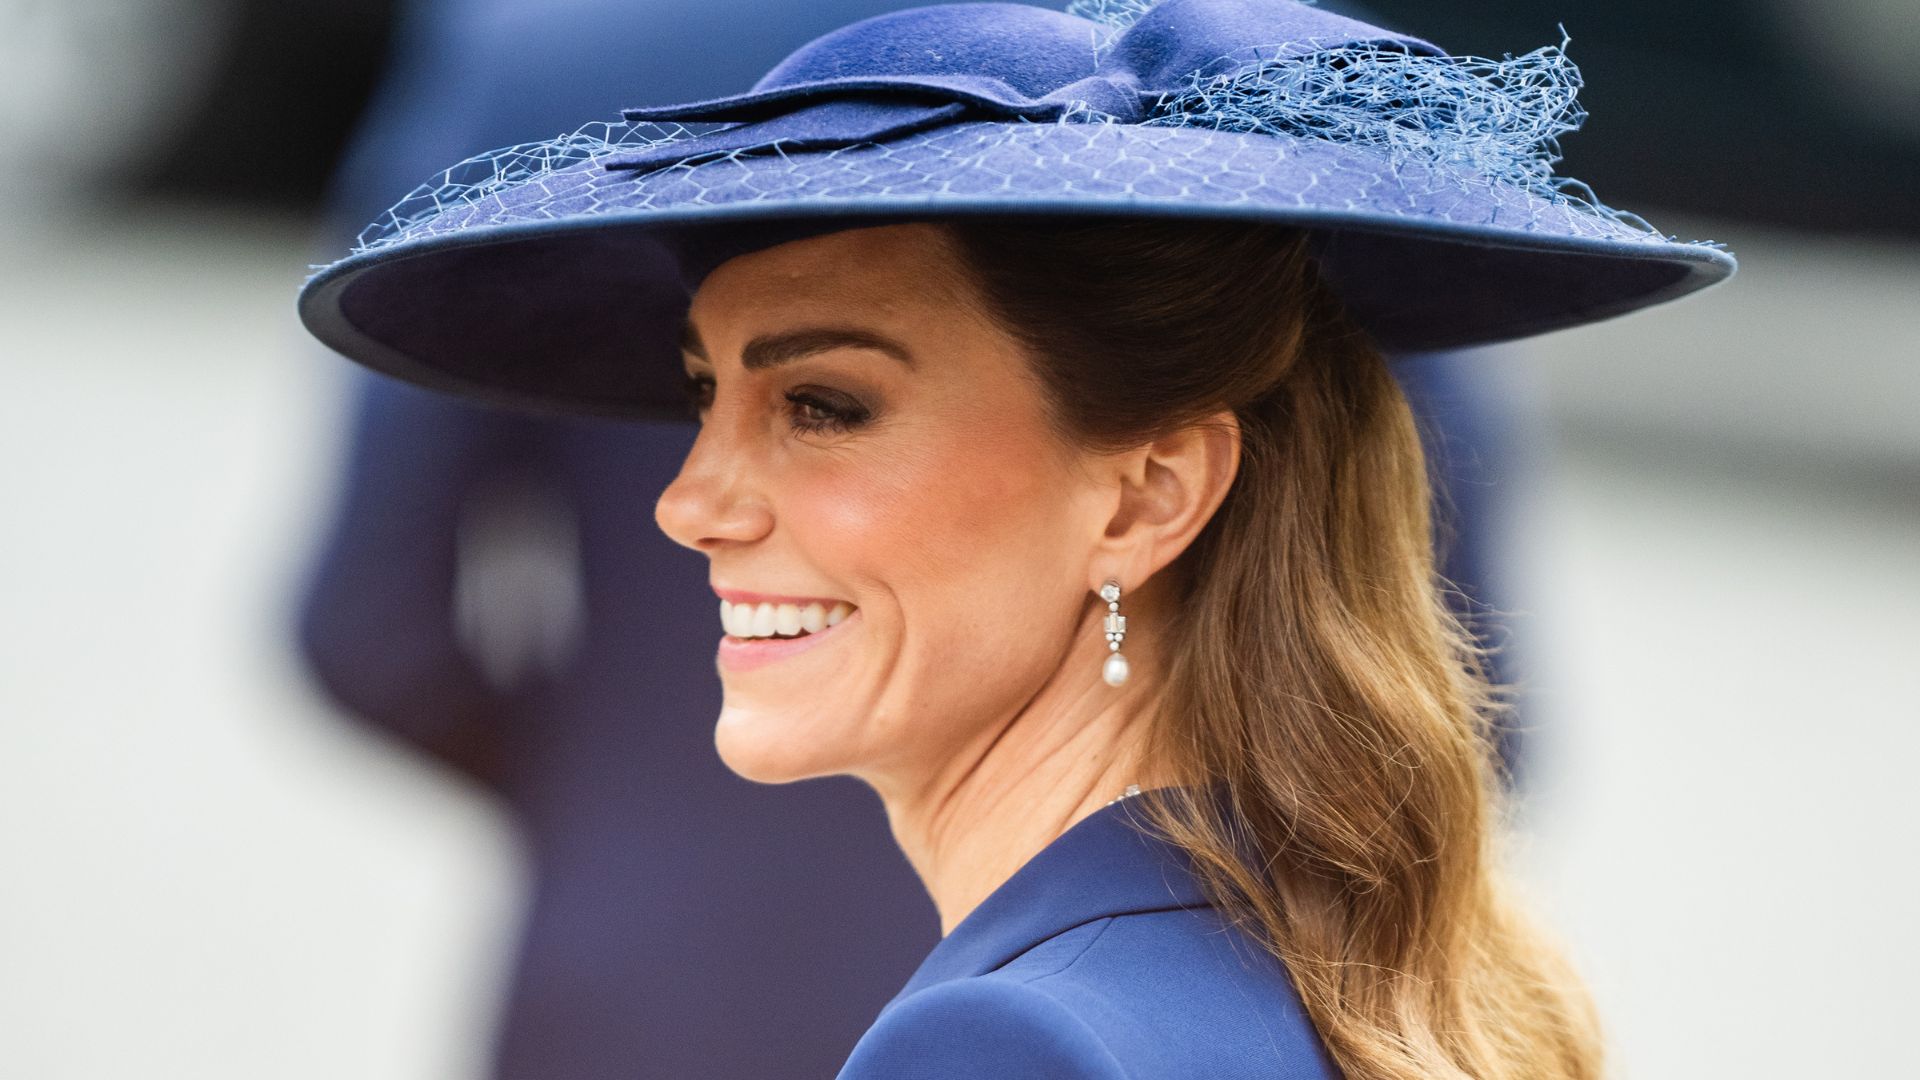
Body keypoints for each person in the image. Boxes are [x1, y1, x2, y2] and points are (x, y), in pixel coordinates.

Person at [296, 1, 1735, 1076]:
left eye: (824, 405)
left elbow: (370, 629)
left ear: (1150, 493)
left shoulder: (1013, 1049)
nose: (692, 498)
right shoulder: (1380, 990)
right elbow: (1462, 656)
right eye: (696, 396)